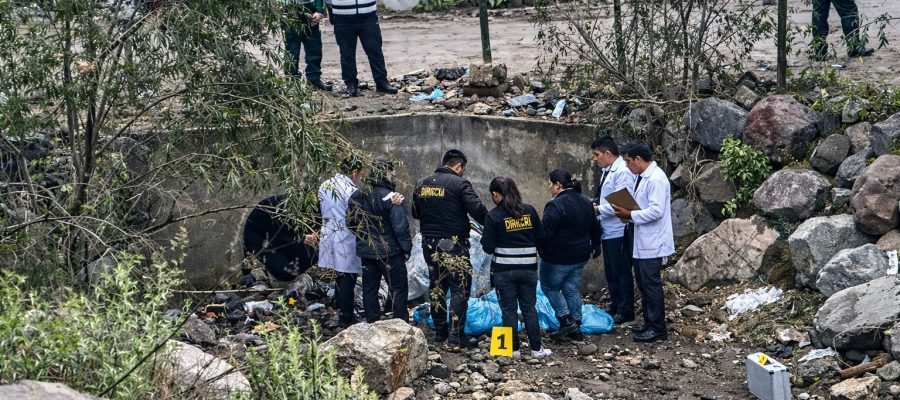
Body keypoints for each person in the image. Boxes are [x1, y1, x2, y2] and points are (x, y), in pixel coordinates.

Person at [412, 149, 488, 350]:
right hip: (454, 245)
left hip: (429, 245)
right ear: (458, 166)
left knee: (437, 286)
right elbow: (478, 210)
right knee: (459, 289)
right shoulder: (459, 184)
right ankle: (456, 337)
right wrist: (492, 225)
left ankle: (440, 332)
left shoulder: (422, 183)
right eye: (463, 169)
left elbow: (415, 212)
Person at [480, 177, 551, 359]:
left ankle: (513, 350)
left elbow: (487, 247)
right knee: (529, 308)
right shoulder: (529, 211)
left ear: (496, 195)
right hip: (528, 270)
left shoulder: (493, 216)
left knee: (509, 310)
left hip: (504, 272)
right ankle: (536, 349)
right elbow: (541, 237)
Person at [612, 141, 674, 343]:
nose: (627, 166)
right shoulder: (642, 177)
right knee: (643, 284)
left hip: (653, 242)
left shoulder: (656, 179)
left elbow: (656, 211)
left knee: (651, 285)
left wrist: (630, 213)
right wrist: (629, 215)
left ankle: (657, 328)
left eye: (628, 161)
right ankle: (649, 323)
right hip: (642, 239)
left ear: (638, 159)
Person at [539, 169, 602, 342]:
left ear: (558, 185)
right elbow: (595, 227)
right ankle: (576, 324)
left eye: (550, 183)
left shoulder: (555, 205)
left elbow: (545, 232)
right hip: (580, 255)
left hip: (557, 257)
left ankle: (566, 321)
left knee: (550, 288)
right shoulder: (585, 201)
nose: (548, 186)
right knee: (571, 288)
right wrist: (596, 245)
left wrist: (540, 249)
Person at [348, 156, 412, 324]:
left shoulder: (357, 195)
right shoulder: (390, 197)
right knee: (398, 287)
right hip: (389, 252)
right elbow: (400, 227)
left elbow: (350, 224)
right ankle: (400, 323)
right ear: (386, 172)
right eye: (393, 170)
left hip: (367, 252)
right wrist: (406, 249)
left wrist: (363, 240)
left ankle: (372, 322)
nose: (395, 173)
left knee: (370, 288)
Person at [590, 135, 637, 325]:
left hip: (618, 229)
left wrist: (597, 209)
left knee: (621, 270)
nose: (595, 159)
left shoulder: (622, 172)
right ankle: (616, 303)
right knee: (610, 270)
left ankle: (625, 308)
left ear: (607, 153)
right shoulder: (607, 171)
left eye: (597, 155)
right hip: (607, 229)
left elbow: (621, 204)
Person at [324, 0, 398, 97]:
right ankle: (350, 84)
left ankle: (381, 82)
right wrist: (330, 11)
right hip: (342, 16)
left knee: (375, 50)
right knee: (347, 52)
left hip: (368, 15)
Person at [242, 194, 319, 284]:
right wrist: (302, 237)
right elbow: (283, 230)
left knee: (314, 253)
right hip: (259, 236)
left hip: (278, 235)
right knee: (283, 273)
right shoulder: (290, 205)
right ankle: (267, 273)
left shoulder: (311, 207)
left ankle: (271, 272)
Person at [280, 0, 332, 91]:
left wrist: (319, 11)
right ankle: (292, 82)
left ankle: (314, 80)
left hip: (310, 10)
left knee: (314, 48)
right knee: (292, 50)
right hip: (289, 10)